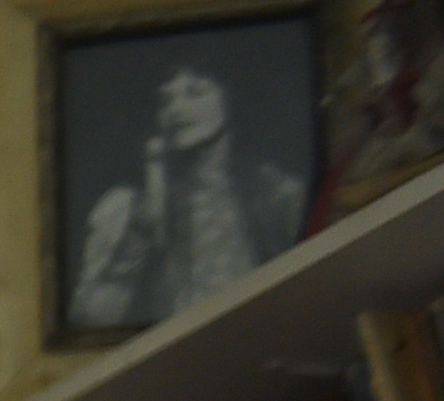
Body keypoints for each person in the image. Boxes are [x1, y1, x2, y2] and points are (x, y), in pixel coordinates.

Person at [70, 59, 309, 331]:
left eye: (195, 93)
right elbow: (92, 320)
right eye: (165, 100)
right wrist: (139, 231)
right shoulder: (124, 205)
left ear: (231, 100)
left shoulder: (280, 193)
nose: (177, 109)